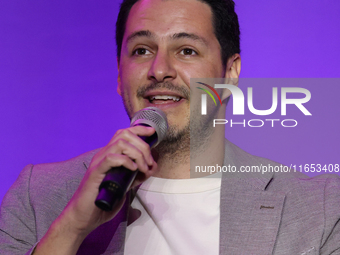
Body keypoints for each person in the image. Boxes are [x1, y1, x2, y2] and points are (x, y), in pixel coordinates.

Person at [0, 0, 339, 254]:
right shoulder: (39, 195)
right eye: (142, 50)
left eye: (187, 50)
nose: (159, 70)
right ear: (119, 74)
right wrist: (71, 228)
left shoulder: (318, 207)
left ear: (230, 73)